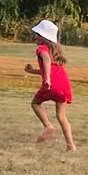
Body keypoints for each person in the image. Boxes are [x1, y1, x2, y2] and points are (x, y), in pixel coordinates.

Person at [24, 19, 76, 152]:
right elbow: (50, 68)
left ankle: (48, 126)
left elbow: (46, 60)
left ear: (44, 37)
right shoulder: (56, 52)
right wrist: (32, 71)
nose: (35, 37)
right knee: (62, 117)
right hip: (64, 85)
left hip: (51, 85)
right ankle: (71, 146)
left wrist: (47, 79)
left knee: (35, 103)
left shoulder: (41, 49)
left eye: (38, 34)